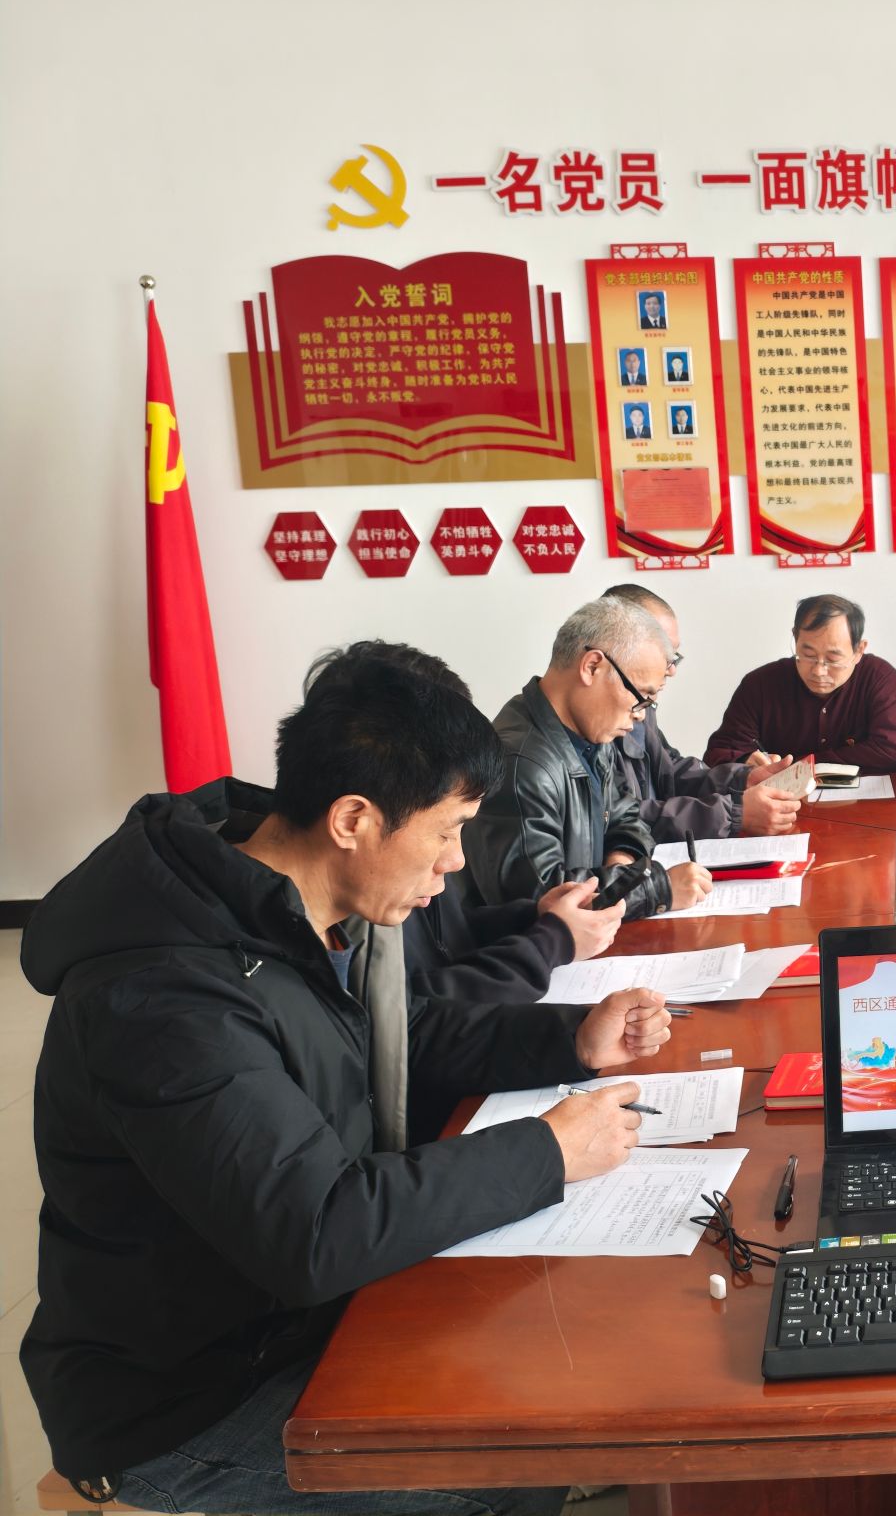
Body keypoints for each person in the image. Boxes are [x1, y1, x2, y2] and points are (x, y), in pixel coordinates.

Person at [19, 643, 669, 1516]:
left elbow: (402, 1035)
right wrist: (548, 1151)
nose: (454, 863)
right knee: (514, 1460)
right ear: (354, 819)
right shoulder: (166, 997)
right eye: (445, 832)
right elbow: (316, 1228)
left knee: (561, 1343)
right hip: (190, 1403)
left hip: (304, 1319)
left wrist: (571, 1041)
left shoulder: (289, 901)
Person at [298, 642, 625, 1003]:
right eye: (445, 832)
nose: (456, 859)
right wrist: (552, 940)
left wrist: (535, 916)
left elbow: (449, 939)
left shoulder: (400, 852)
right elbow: (415, 1015)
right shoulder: (362, 879)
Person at [463, 596, 712, 918]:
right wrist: (655, 889)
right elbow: (543, 898)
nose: (640, 715)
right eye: (641, 696)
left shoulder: (588, 734)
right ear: (592, 666)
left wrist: (622, 866)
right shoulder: (522, 765)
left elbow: (626, 816)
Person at [606, 584, 804, 838]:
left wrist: (743, 779)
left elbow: (670, 772)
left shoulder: (641, 703)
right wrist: (733, 813)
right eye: (663, 654)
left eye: (674, 656)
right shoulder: (593, 718)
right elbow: (615, 818)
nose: (671, 670)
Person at [704, 594, 896, 770]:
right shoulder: (760, 685)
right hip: (780, 800)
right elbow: (717, 754)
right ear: (795, 638)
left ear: (859, 651)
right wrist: (744, 760)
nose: (819, 671)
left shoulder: (879, 678)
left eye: (833, 659)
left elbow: (891, 752)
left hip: (863, 800)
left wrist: (801, 765)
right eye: (808, 655)